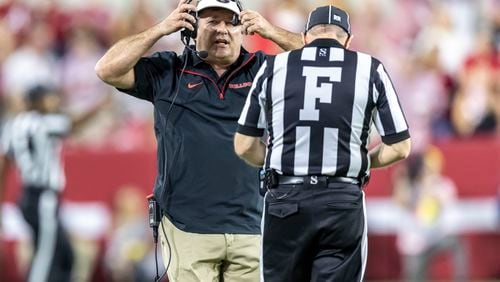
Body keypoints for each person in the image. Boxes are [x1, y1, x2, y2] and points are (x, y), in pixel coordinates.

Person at [94, 0, 302, 281]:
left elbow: (327, 61)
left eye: (231, 22)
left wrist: (272, 31)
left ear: (243, 29)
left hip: (253, 226)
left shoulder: (264, 70)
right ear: (190, 28)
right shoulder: (168, 70)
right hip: (187, 228)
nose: (222, 30)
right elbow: (106, 69)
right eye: (212, 21)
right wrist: (160, 29)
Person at [234, 5, 412, 281]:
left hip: (285, 198)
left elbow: (244, 145)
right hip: (342, 199)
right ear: (348, 41)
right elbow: (400, 146)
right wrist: (362, 162)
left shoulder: (274, 67)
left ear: (305, 37)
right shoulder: (370, 69)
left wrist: (277, 158)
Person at [0, 85, 110, 282]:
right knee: (46, 257)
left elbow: (4, 162)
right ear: (36, 101)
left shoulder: (14, 125)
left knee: (65, 255)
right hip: (43, 197)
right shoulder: (43, 122)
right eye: (48, 98)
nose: (53, 102)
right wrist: (100, 105)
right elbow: (73, 122)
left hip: (27, 197)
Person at [393, 147, 467, 282]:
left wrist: (431, 190)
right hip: (415, 243)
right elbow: (403, 200)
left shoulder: (442, 185)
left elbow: (445, 204)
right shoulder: (409, 187)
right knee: (414, 277)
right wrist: (402, 178)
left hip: (436, 237)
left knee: (457, 244)